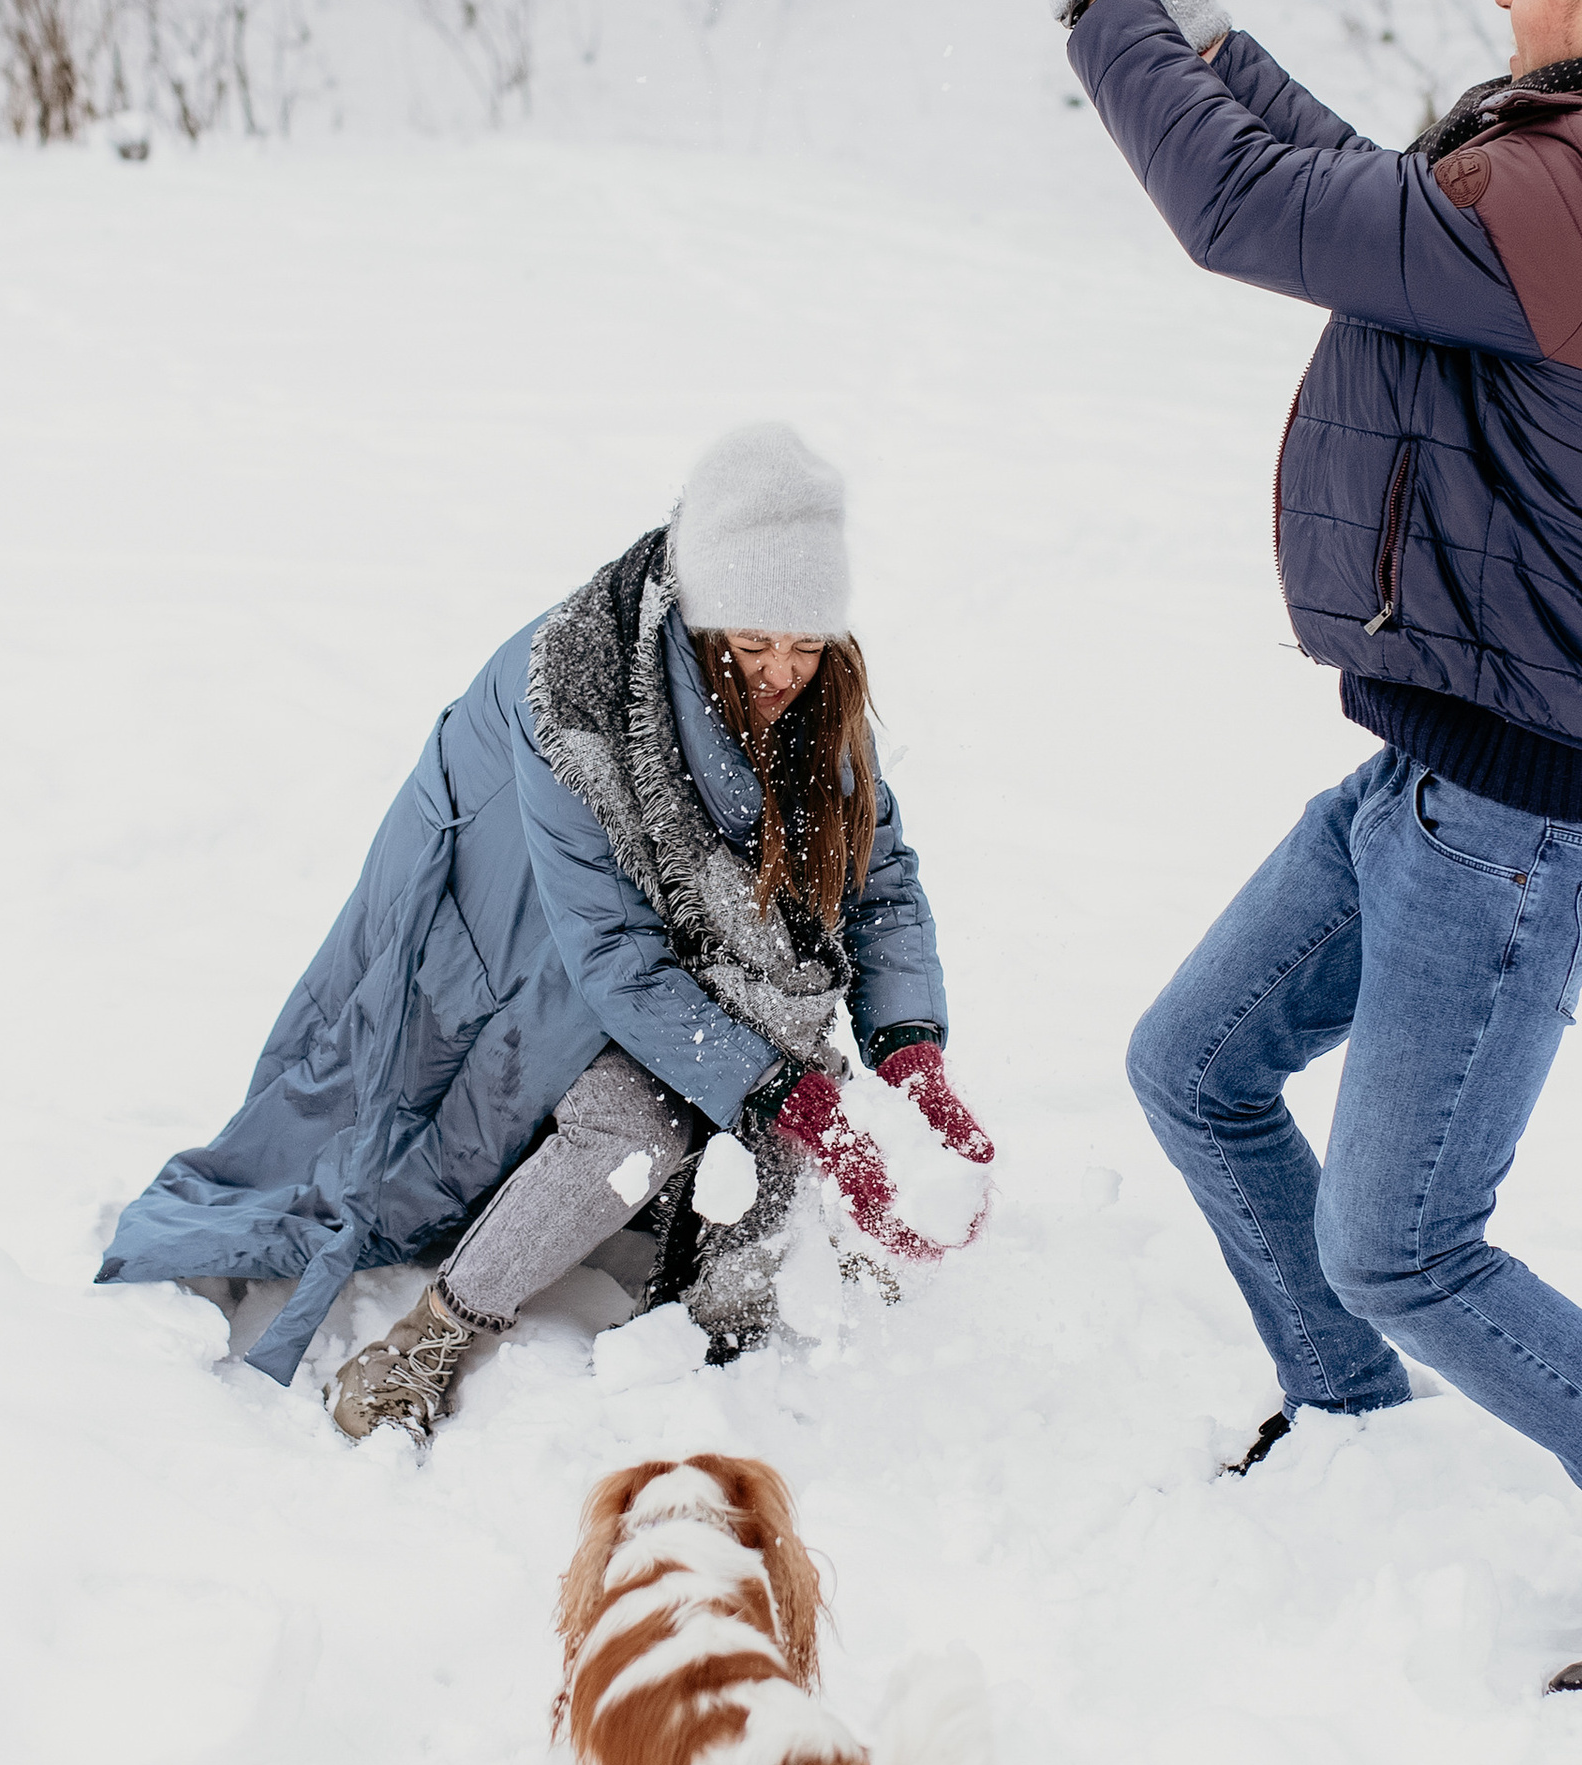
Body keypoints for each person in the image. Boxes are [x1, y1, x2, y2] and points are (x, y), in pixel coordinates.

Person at [967, 0, 1582, 1692]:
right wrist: (1199, 32)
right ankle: (1345, 1405)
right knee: (1193, 1063)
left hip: (1515, 830)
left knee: (1410, 1241)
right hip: (1440, 785)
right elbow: (1373, 203)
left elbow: (1256, 217)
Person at [99, 423, 992, 1441]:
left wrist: (909, 1052)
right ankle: (426, 1343)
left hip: (687, 960)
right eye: (752, 647)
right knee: (627, 1130)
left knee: (774, 1115)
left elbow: (882, 877)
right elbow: (610, 953)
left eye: (805, 643)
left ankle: (721, 1328)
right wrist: (777, 1086)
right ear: (700, 622)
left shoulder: (819, 698)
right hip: (514, 934)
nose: (783, 671)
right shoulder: (574, 697)